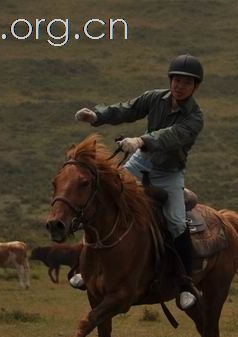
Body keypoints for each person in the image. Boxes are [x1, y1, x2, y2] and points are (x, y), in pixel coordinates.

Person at [71, 54, 205, 310]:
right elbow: (127, 109)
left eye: (187, 82)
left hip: (169, 174)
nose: (180, 85)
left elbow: (169, 136)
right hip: (141, 162)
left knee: (177, 222)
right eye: (176, 79)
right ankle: (83, 268)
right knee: (104, 198)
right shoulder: (155, 98)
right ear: (170, 80)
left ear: (195, 87)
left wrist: (140, 141)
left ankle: (186, 284)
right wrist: (96, 116)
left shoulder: (195, 118)